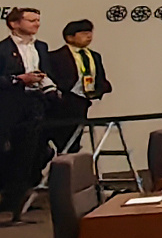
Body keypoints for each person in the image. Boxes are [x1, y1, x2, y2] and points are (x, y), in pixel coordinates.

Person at [0, 7, 59, 216]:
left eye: (38, 20)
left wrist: (50, 88)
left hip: (33, 104)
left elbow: (45, 73)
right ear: (14, 24)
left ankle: (15, 200)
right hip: (4, 106)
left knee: (28, 153)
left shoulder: (41, 47)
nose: (36, 24)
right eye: (31, 20)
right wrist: (17, 79)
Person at [42, 18, 113, 160]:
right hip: (62, 103)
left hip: (83, 102)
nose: (89, 36)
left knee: (75, 140)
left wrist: (99, 90)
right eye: (84, 33)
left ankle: (71, 165)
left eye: (90, 33)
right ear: (70, 37)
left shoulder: (94, 56)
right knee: (59, 138)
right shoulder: (55, 56)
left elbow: (100, 78)